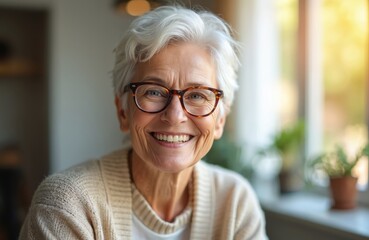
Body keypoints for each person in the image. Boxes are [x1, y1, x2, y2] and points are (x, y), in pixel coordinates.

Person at [19, 5, 268, 240]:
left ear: (220, 119)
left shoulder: (235, 202)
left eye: (197, 95)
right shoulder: (68, 204)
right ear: (123, 112)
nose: (175, 115)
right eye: (154, 91)